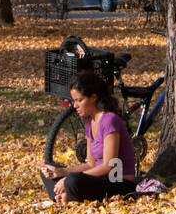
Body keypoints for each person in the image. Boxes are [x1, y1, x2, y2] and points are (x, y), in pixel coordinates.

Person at [40, 71, 137, 204]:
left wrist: (68, 178)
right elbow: (90, 164)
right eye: (74, 101)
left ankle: (66, 195)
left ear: (93, 97)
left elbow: (109, 166)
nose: (75, 106)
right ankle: (65, 196)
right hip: (98, 179)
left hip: (118, 183)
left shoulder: (109, 120)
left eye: (80, 100)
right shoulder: (89, 123)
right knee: (48, 171)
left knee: (73, 181)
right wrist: (62, 172)